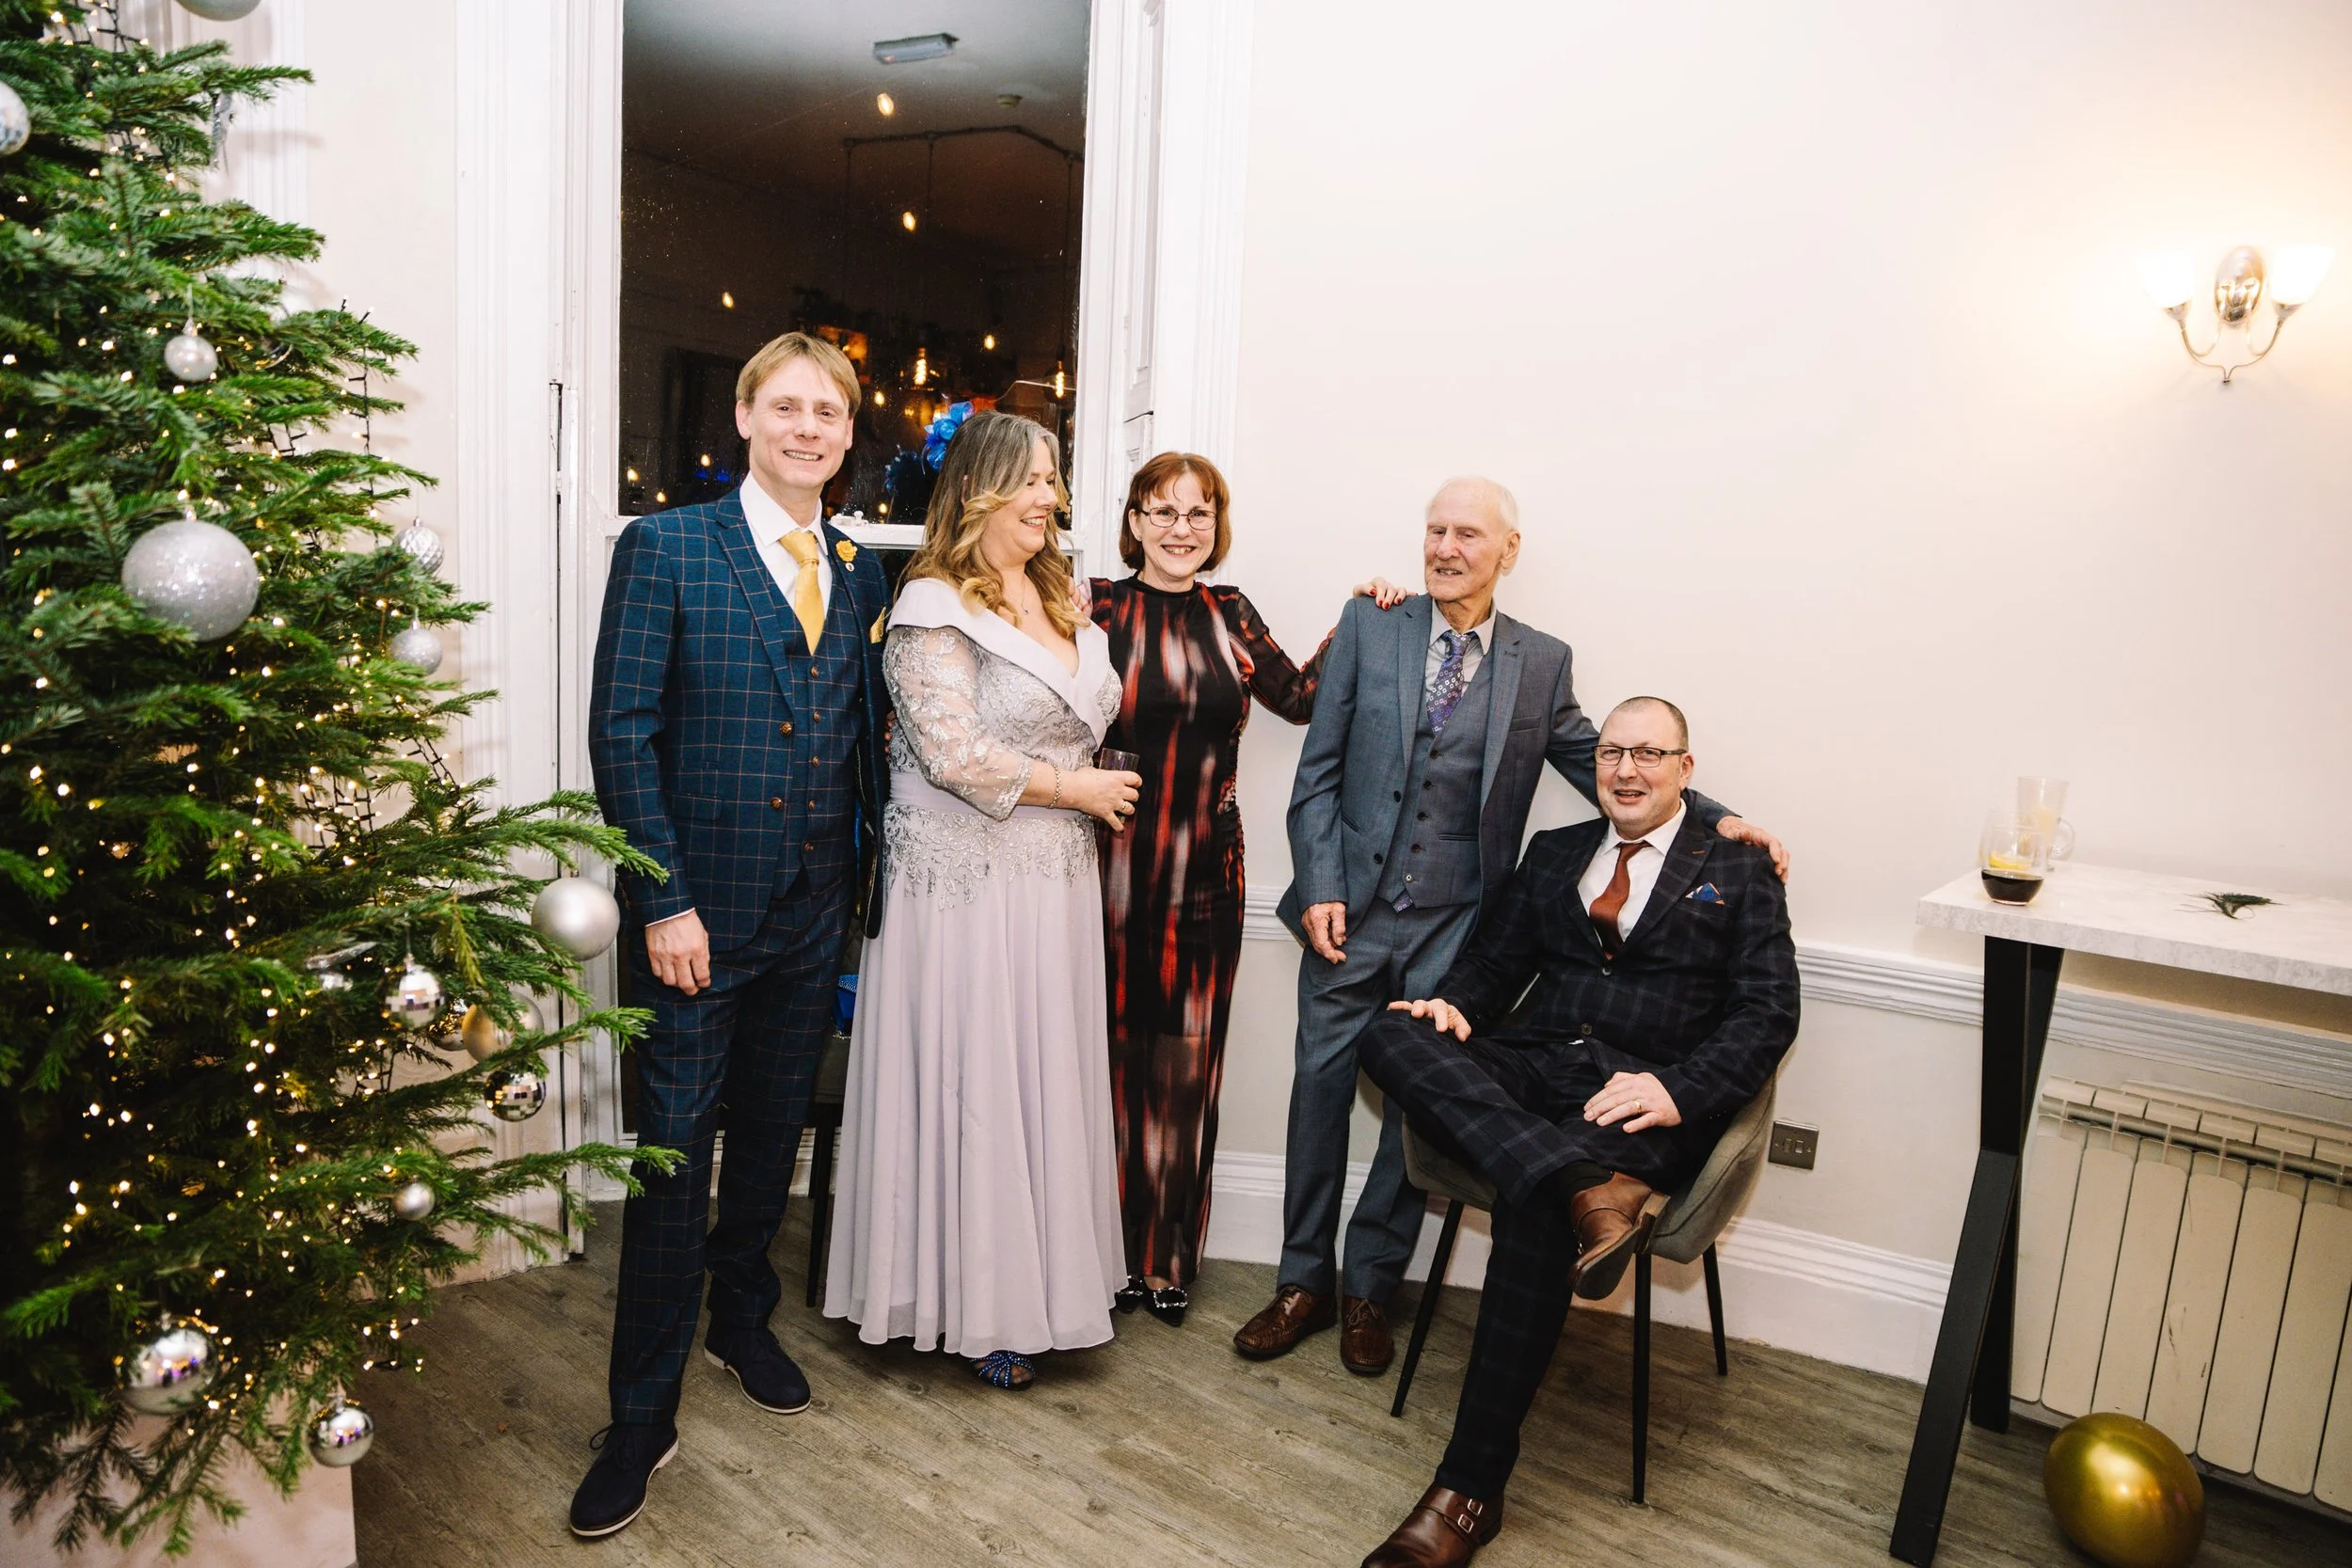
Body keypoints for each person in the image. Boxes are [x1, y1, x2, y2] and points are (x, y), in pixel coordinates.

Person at [1238, 477, 1788, 1378]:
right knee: (1320, 1092)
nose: (1445, 548)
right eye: (1435, 530)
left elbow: (1602, 761)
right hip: (1348, 915)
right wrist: (1322, 883)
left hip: (1457, 927)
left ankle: (1370, 1286)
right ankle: (1302, 1281)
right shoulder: (1370, 624)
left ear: (1509, 550)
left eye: (1467, 533)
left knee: (1414, 1105)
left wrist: (1722, 819)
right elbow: (1318, 771)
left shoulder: (1542, 661)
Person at [1350, 696, 1800, 1567]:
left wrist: (1678, 1090)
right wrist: (1455, 1005)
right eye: (1610, 753)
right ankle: (1578, 1184)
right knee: (1391, 1033)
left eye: (1649, 754)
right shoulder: (1555, 851)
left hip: (1639, 1096)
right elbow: (1492, 966)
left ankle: (1466, 1493)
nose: (1626, 770)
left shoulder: (1739, 867)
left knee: (1532, 1214)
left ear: (1685, 769)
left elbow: (1768, 1011)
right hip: (1536, 1065)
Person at [578, 332, 889, 1539]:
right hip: (694, 922)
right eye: (788, 407)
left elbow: (858, 736)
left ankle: (741, 1318)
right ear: (747, 418)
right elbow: (622, 731)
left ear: (848, 434)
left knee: (769, 1135)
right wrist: (661, 900)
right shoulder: (666, 548)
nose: (809, 428)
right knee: (673, 1158)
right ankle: (639, 1415)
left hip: (813, 915)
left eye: (829, 413)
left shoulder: (858, 571)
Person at [824, 411, 1140, 1391]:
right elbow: (952, 753)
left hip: (1053, 881)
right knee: (978, 1080)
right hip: (966, 886)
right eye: (1032, 479)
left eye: (1054, 479)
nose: (1050, 497)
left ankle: (1043, 1286)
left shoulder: (1061, 592)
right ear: (978, 487)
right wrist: (1077, 788)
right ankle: (971, 1306)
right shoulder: (930, 603)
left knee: (1039, 1076)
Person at [1088, 451, 1403, 1326]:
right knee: (1103, 1065)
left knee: (1186, 1069)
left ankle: (1165, 1261)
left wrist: (1359, 617)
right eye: (1162, 511)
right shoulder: (1093, 606)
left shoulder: (1230, 612)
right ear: (1135, 521)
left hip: (1205, 881)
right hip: (1104, 874)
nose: (1180, 528)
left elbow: (1300, 697)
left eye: (1198, 513)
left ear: (1216, 526)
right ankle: (1100, 1255)